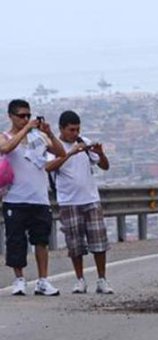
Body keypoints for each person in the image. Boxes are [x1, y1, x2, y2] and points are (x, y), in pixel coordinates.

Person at [0, 99, 66, 295]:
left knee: (41, 241)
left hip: (39, 198)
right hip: (15, 198)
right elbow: (5, 149)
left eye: (28, 116)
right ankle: (19, 279)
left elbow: (61, 152)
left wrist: (49, 133)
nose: (26, 119)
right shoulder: (5, 136)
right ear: (11, 116)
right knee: (16, 241)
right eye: (21, 116)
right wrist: (25, 129)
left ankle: (43, 280)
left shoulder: (38, 138)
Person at [46, 111, 113, 294]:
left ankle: (102, 279)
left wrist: (100, 153)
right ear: (61, 129)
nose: (75, 133)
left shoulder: (84, 141)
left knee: (98, 241)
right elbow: (49, 167)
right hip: (69, 201)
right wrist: (69, 153)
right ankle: (80, 279)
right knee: (75, 244)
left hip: (91, 198)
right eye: (71, 130)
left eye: (77, 129)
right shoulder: (54, 147)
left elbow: (104, 166)